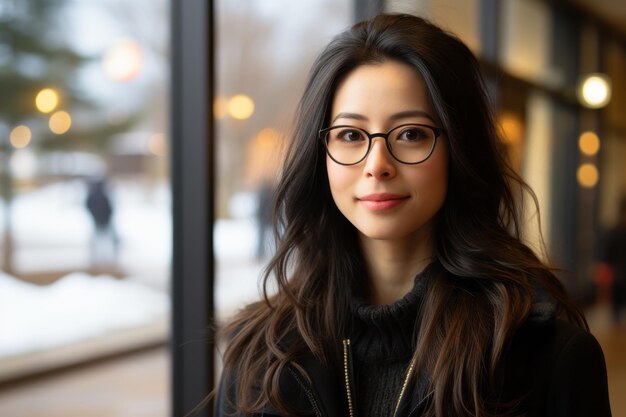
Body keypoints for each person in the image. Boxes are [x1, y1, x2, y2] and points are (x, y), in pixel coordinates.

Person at [216, 13, 611, 417]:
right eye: (350, 135)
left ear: (459, 150)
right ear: (321, 158)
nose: (377, 164)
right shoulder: (260, 354)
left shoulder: (543, 357)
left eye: (411, 134)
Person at [598, 197, 626, 324]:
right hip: (618, 276)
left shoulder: (614, 231)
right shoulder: (614, 232)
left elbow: (606, 256)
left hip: (617, 275)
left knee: (616, 315)